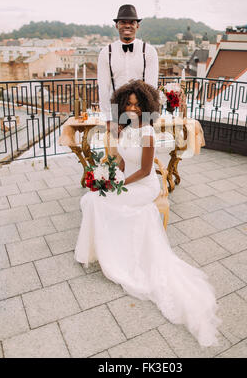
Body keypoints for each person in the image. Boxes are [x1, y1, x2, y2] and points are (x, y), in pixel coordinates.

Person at [74, 80, 221, 348]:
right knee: (92, 198)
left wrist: (117, 185)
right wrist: (108, 173)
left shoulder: (148, 134)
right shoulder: (126, 128)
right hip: (126, 178)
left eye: (137, 104)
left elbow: (144, 171)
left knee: (104, 201)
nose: (132, 108)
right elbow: (120, 159)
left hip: (142, 185)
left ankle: (116, 254)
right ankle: (100, 248)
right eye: (128, 104)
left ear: (146, 106)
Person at [97, 4, 159, 132]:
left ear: (137, 25)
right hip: (117, 112)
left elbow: (151, 87)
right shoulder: (105, 52)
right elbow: (104, 88)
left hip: (141, 112)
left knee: (143, 148)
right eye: (123, 22)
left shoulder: (149, 51)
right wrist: (109, 118)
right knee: (115, 150)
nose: (127, 25)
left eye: (131, 22)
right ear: (116, 25)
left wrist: (147, 119)